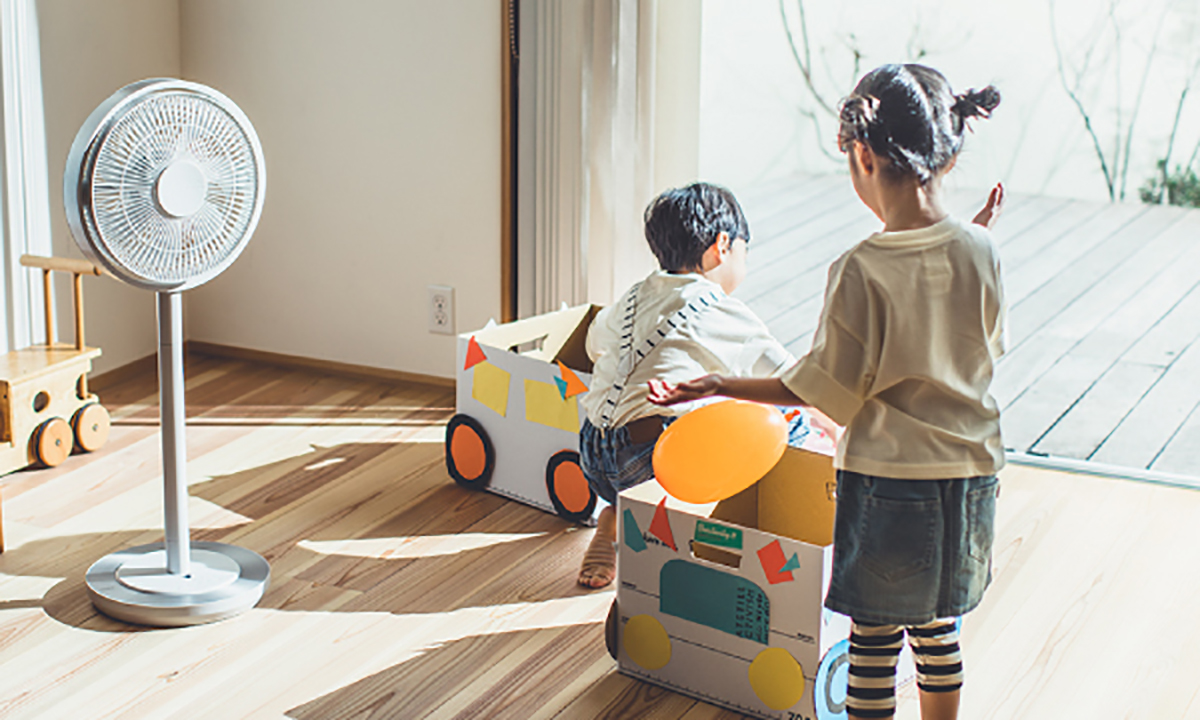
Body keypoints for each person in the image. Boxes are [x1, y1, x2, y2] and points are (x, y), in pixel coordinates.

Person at [649, 64, 1006, 720]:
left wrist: (719, 381)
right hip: (970, 478)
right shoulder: (981, 249)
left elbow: (822, 390)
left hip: (891, 486)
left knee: (873, 640)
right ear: (946, 155)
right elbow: (977, 342)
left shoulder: (861, 269)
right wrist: (975, 233)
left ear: (862, 157)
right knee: (937, 630)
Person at [576, 182, 839, 589]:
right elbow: (798, 383)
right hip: (650, 464)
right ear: (722, 246)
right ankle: (789, 514)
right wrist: (837, 432)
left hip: (594, 454)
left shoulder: (634, 295)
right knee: (785, 416)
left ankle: (614, 513)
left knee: (701, 399)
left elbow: (594, 344)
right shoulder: (718, 309)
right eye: (744, 252)